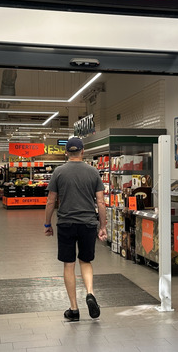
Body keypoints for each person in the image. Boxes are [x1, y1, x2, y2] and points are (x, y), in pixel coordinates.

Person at [44, 136, 107, 321]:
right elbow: (101, 202)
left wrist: (47, 224)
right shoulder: (93, 172)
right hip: (88, 223)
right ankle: (90, 293)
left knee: (69, 264)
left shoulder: (59, 172)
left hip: (66, 223)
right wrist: (102, 226)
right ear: (82, 151)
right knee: (85, 261)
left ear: (66, 153)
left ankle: (74, 309)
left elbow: (50, 201)